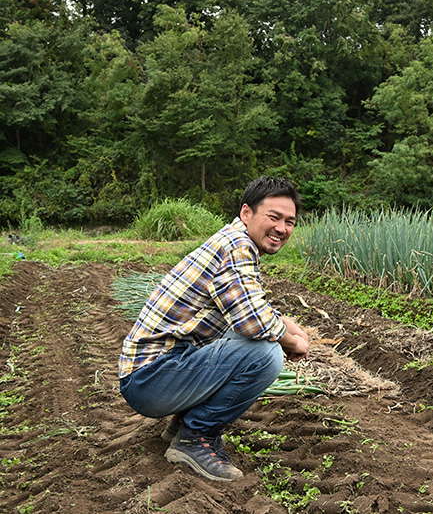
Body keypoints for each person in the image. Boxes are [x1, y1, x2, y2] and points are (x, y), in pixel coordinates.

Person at [118, 176, 311, 481]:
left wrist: (283, 323)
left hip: (153, 374)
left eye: (290, 221)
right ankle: (194, 438)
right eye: (273, 217)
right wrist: (291, 341)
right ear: (246, 213)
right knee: (266, 354)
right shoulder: (237, 245)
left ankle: (182, 424)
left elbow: (245, 308)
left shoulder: (232, 240)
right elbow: (254, 322)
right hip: (150, 380)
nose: (282, 228)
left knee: (252, 337)